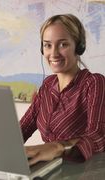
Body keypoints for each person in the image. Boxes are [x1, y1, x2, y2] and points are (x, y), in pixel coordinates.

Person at [20, 14, 105, 165]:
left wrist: (57, 147)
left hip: (84, 171)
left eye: (63, 44)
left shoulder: (93, 83)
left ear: (79, 46)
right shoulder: (47, 86)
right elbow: (22, 129)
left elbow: (98, 135)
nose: (53, 53)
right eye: (47, 45)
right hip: (50, 169)